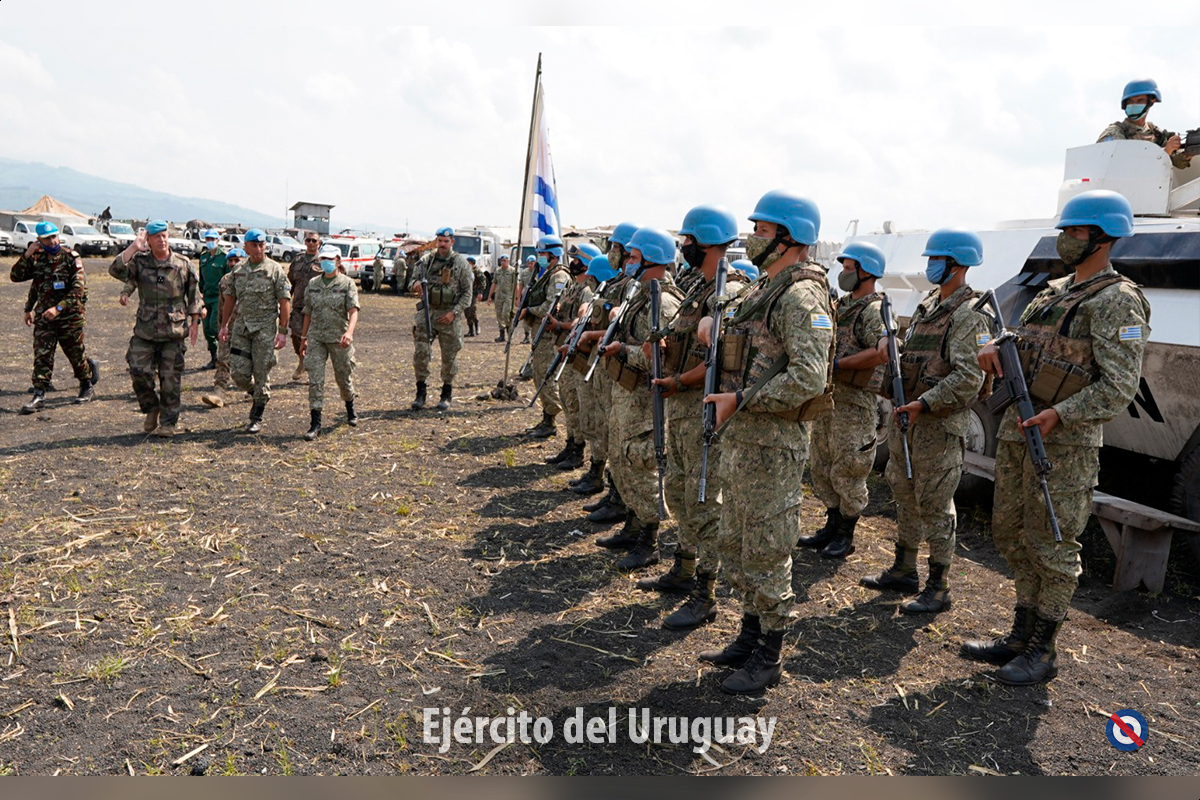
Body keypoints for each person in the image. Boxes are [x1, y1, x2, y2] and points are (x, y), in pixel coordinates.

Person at [965, 190, 1150, 686]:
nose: (1065, 239)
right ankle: (1020, 633)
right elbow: (1025, 349)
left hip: (1062, 445)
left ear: (1103, 237)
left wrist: (1060, 415)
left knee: (1053, 543)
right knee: (1010, 532)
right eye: (1064, 231)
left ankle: (1043, 648)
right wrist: (995, 350)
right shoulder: (1052, 291)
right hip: (1016, 432)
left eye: (1074, 232)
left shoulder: (1118, 300)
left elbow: (1119, 386)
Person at [698, 190, 834, 694]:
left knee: (769, 549)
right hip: (745, 442)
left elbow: (809, 377)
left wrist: (742, 401)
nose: (753, 238)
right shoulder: (765, 289)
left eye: (761, 230)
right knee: (737, 544)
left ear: (788, 237)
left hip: (773, 447)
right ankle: (749, 635)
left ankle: (770, 655)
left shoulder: (801, 296)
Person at [860, 229, 989, 616]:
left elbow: (970, 376)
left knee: (935, 503)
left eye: (938, 260)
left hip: (938, 425)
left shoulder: (969, 315)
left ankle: (939, 584)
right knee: (903, 492)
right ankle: (904, 568)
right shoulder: (930, 306)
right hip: (909, 421)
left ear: (957, 264)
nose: (931, 266)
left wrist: (925, 403)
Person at [641, 205, 747, 631]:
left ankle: (706, 592)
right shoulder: (698, 287)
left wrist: (679, 379)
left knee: (705, 501)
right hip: (684, 405)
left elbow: (723, 360)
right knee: (684, 495)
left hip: (703, 405)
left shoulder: (730, 291)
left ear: (704, 242)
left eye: (687, 240)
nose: (682, 247)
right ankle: (683, 568)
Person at [590, 227, 683, 571]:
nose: (627, 262)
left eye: (633, 257)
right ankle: (633, 524)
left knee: (642, 468)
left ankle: (650, 539)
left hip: (645, 401)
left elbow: (661, 356)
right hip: (626, 394)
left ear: (651, 259)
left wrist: (622, 349)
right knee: (621, 459)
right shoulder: (641, 293)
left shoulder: (665, 301)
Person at [798, 241, 888, 559]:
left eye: (850, 269)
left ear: (866, 272)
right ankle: (831, 526)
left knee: (849, 467)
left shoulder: (874, 309)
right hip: (830, 401)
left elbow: (882, 350)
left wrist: (839, 365)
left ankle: (846, 534)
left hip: (854, 405)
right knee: (823, 464)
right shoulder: (845, 305)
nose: (844, 273)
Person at [109, 220, 202, 437]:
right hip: (146, 329)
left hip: (173, 331)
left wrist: (195, 322)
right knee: (138, 370)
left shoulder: (182, 264)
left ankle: (168, 423)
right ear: (148, 240)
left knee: (170, 380)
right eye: (156, 237)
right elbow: (115, 270)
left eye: (164, 235)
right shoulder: (140, 262)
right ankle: (151, 408)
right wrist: (133, 247)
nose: (161, 240)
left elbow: (194, 295)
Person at [573, 221, 641, 516]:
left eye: (615, 247)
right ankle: (613, 491)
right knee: (604, 428)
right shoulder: (615, 285)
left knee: (616, 435)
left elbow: (624, 333)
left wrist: (590, 335)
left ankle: (620, 498)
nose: (611, 252)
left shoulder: (632, 288)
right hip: (604, 366)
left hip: (620, 371)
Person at [12, 221, 99, 414]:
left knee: (75, 354)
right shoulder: (37, 258)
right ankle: (39, 394)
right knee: (42, 354)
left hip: (70, 316)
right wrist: (29, 308)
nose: (52, 241)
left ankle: (87, 384)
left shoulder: (71, 258)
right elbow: (21, 279)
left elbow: (78, 290)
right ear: (39, 241)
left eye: (54, 236)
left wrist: (58, 308)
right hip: (45, 316)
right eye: (47, 238)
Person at [219, 229, 291, 433]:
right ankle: (255, 392)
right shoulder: (238, 270)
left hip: (265, 329)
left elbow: (285, 302)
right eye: (254, 245)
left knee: (261, 372)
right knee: (239, 373)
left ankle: (257, 414)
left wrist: (283, 331)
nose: (258, 249)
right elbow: (230, 299)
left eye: (262, 245)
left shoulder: (274, 270)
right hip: (242, 328)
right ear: (246, 247)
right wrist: (224, 325)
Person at [542, 245, 596, 470]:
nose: (572, 262)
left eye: (576, 259)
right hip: (565, 348)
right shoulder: (574, 287)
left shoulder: (588, 291)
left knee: (576, 404)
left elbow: (580, 322)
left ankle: (578, 450)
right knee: (567, 400)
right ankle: (571, 444)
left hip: (576, 353)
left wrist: (560, 325)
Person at [410, 226, 474, 411]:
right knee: (421, 353)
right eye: (440, 241)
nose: (443, 244)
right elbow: (412, 279)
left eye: (446, 241)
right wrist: (415, 284)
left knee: (449, 356)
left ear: (452, 242)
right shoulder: (426, 261)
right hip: (427, 313)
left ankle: (446, 393)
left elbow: (467, 294)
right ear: (436, 241)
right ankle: (420, 393)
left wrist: (454, 313)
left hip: (448, 316)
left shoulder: (460, 263)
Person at [300, 245, 360, 440]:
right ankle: (315, 423)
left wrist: (349, 333)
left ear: (338, 261)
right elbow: (307, 312)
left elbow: (353, 311)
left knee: (343, 377)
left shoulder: (347, 284)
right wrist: (303, 338)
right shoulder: (313, 284)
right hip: (317, 337)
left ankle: (350, 406)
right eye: (323, 258)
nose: (326, 262)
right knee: (315, 380)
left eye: (330, 259)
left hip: (338, 339)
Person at [518, 235, 572, 438]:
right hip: (541, 334)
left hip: (549, 336)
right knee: (540, 375)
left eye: (543, 254)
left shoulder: (559, 277)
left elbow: (550, 307)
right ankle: (547, 418)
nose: (540, 257)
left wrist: (530, 310)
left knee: (547, 377)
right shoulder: (547, 273)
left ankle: (555, 421)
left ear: (553, 254)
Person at [1097, 79, 1192, 170]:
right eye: (1130, 101)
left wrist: (1188, 153)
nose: (1134, 104)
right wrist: (1165, 152)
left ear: (1151, 101)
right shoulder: (1114, 132)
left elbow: (1176, 162)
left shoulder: (1155, 132)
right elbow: (1121, 164)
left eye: (1139, 100)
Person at [200, 248, 245, 408]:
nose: (233, 263)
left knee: (247, 364)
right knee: (223, 360)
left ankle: (255, 389)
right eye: (230, 261)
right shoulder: (225, 281)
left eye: (237, 260)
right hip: (229, 328)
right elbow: (221, 307)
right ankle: (219, 392)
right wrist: (222, 327)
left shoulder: (252, 279)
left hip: (247, 330)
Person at [288, 231, 323, 382]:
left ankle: (312, 369)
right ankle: (302, 361)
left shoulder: (323, 262)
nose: (310, 243)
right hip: (298, 306)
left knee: (313, 339)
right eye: (308, 240)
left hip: (316, 308)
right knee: (296, 335)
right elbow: (290, 281)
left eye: (314, 241)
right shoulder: (297, 260)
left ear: (319, 243)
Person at [197, 229, 227, 369]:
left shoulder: (224, 257)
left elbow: (228, 279)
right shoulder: (203, 257)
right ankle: (214, 358)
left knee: (215, 327)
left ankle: (224, 357)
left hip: (218, 298)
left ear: (218, 240)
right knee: (206, 330)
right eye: (208, 239)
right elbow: (201, 279)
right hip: (206, 298)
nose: (210, 241)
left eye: (212, 239)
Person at [488, 253, 516, 342]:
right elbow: (494, 283)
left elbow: (516, 284)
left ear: (508, 261)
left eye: (505, 261)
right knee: (499, 315)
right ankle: (502, 335)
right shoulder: (498, 271)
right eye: (502, 261)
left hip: (508, 296)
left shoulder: (512, 271)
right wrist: (489, 296)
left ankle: (509, 333)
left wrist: (517, 297)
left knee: (506, 314)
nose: (503, 262)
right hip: (498, 296)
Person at [518, 255, 537, 344]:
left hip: (536, 298)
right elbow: (521, 285)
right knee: (525, 316)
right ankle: (526, 336)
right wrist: (518, 298)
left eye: (532, 263)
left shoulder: (539, 272)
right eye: (528, 263)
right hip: (526, 297)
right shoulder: (524, 272)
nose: (530, 265)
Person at [463, 255, 483, 338]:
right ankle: (470, 330)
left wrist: (480, 292)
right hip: (466, 293)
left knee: (472, 310)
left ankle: (476, 324)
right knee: (466, 311)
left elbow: (482, 282)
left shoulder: (477, 271)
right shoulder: (465, 271)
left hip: (474, 293)